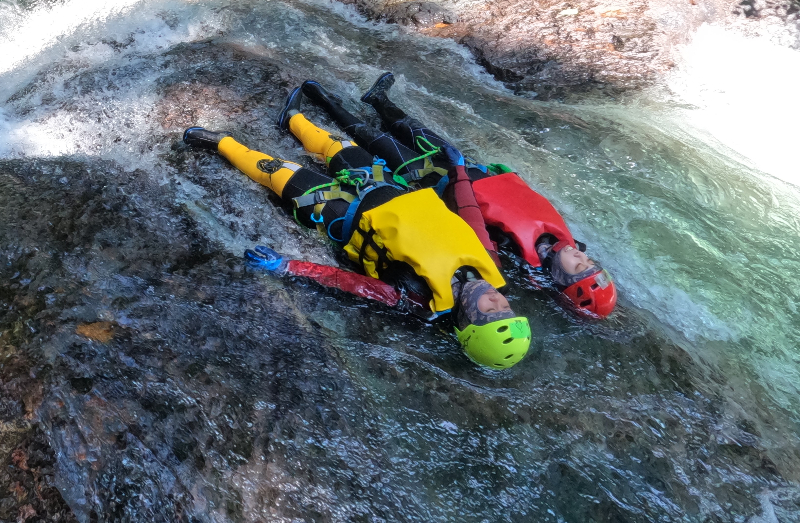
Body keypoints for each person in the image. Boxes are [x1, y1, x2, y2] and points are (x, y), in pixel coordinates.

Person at [182, 120, 532, 370]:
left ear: (468, 322)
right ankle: (293, 119)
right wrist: (458, 172)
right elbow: (469, 216)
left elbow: (351, 284)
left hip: (345, 213)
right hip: (387, 188)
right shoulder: (489, 265)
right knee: (338, 146)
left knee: (278, 173)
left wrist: (287, 266)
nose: (498, 300)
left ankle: (222, 143)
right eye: (508, 310)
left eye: (491, 314)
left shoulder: (416, 299)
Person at [284, 76, 618, 319]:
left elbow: (467, 227)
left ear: (563, 283)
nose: (582, 258)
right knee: (413, 129)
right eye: (590, 263)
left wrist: (443, 185)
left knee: (374, 141)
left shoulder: (515, 263)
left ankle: (325, 104)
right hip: (470, 174)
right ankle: (378, 100)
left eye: (580, 268)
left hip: (437, 183)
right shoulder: (561, 243)